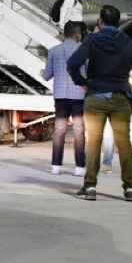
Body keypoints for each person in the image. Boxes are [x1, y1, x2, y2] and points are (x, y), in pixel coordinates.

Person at [67, 4, 132, 202]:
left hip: (95, 97)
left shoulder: (92, 40)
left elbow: (72, 64)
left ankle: (90, 187)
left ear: (99, 21)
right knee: (124, 144)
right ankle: (129, 189)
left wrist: (83, 82)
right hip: (120, 98)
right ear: (119, 22)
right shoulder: (129, 42)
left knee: (93, 143)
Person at [42, 21, 88, 176]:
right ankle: (80, 167)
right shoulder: (83, 50)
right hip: (78, 96)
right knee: (79, 131)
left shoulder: (54, 51)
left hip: (60, 97)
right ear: (77, 34)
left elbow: (47, 75)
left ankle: (56, 166)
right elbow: (88, 74)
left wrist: (42, 70)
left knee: (59, 131)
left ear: (64, 34)